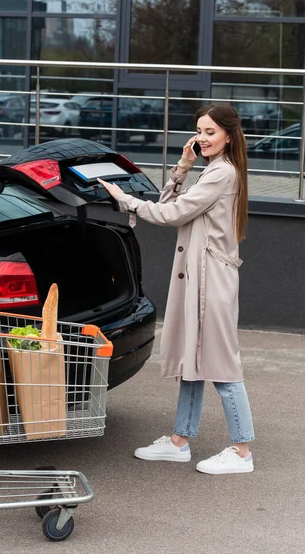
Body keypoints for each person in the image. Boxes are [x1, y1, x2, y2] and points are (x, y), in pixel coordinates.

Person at [98, 103, 255, 475]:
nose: (202, 138)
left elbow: (168, 215)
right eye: (199, 131)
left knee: (222, 365)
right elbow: (171, 204)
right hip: (200, 277)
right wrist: (183, 167)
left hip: (211, 280)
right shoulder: (212, 171)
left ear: (228, 136)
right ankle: (179, 441)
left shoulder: (222, 174)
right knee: (191, 360)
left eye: (210, 132)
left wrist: (123, 199)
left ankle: (242, 450)